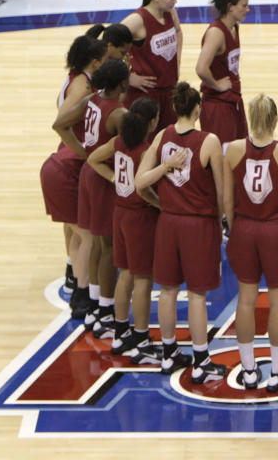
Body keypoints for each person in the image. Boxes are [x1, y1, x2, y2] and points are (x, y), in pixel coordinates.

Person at [135, 82, 228, 381]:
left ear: (175, 108)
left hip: (169, 222)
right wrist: (223, 220)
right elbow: (222, 192)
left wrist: (160, 199)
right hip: (198, 225)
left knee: (168, 291)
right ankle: (201, 361)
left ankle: (168, 353)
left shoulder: (162, 136)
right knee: (198, 294)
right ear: (198, 109)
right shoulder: (210, 141)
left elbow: (140, 184)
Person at [224, 94, 278, 392]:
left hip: (245, 229)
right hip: (277, 233)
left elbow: (227, 201)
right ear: (275, 119)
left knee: (245, 301)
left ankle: (248, 371)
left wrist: (236, 231)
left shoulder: (232, 150)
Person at [55, 59, 130, 336]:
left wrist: (84, 151)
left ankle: (98, 306)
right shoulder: (119, 114)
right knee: (108, 245)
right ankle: (106, 311)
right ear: (122, 83)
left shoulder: (91, 100)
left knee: (98, 243)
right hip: (103, 177)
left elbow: (60, 124)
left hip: (88, 172)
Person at [86, 97, 162, 362]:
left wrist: (114, 179)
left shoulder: (118, 143)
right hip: (139, 218)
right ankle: (141, 339)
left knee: (126, 274)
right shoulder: (145, 150)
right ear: (152, 121)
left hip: (119, 213)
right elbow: (143, 187)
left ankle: (120, 332)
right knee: (143, 279)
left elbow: (93, 159)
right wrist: (160, 204)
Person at [40, 31, 107, 310]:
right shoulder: (81, 88)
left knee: (75, 231)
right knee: (88, 236)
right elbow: (60, 121)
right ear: (94, 62)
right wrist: (82, 150)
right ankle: (82, 294)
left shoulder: (76, 77)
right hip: (67, 165)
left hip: (60, 163)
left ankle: (73, 275)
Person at [121, 0, 184, 129]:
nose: (175, 1)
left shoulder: (170, 13)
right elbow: (106, 46)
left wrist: (177, 62)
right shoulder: (137, 20)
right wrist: (127, 77)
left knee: (168, 143)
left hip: (169, 92)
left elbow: (178, 32)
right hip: (145, 96)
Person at [195, 0, 249, 147]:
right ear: (230, 7)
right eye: (244, 5)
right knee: (221, 157)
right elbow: (201, 68)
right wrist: (217, 85)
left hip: (232, 99)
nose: (247, 9)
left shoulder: (234, 27)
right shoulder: (216, 33)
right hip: (218, 105)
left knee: (238, 152)